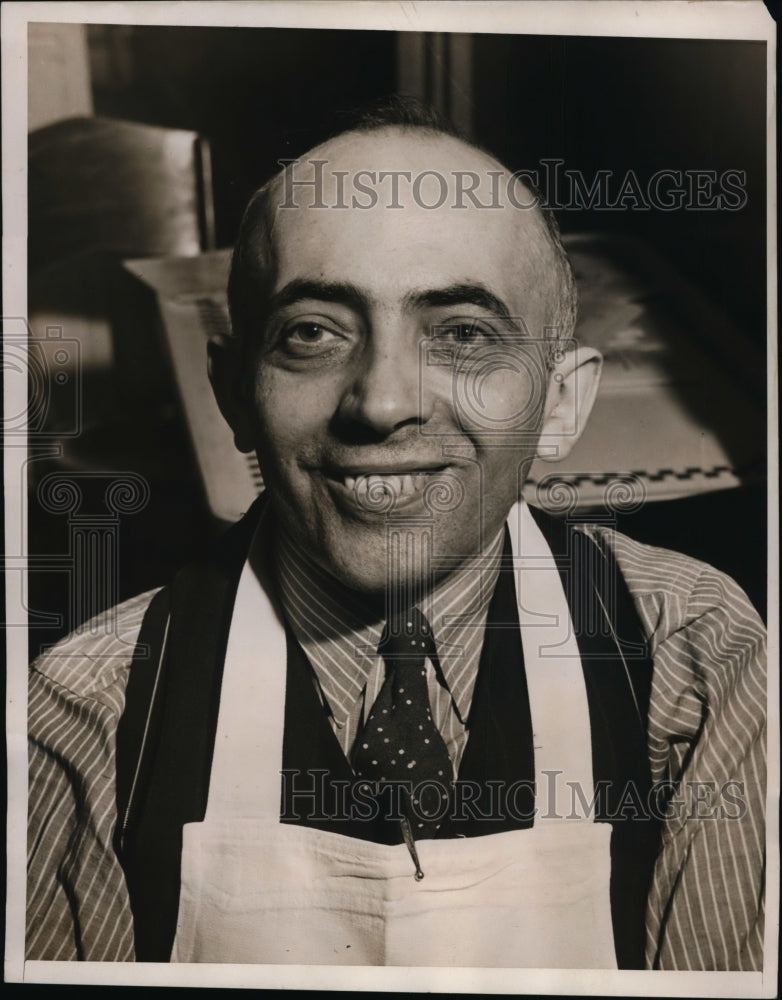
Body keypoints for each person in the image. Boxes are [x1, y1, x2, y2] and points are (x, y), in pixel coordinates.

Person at [27, 98, 766, 970]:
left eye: (459, 334)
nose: (381, 403)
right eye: (312, 333)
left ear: (560, 403)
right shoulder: (88, 710)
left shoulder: (695, 659)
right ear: (233, 391)